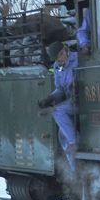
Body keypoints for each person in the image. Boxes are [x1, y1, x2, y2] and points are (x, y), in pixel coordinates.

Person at [39, 41, 80, 170]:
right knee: (63, 136)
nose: (59, 61)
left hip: (83, 99)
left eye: (59, 57)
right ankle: (75, 171)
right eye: (57, 59)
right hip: (70, 101)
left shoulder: (78, 59)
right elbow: (60, 89)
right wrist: (50, 98)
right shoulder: (57, 66)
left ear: (64, 51)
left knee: (57, 112)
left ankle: (74, 143)